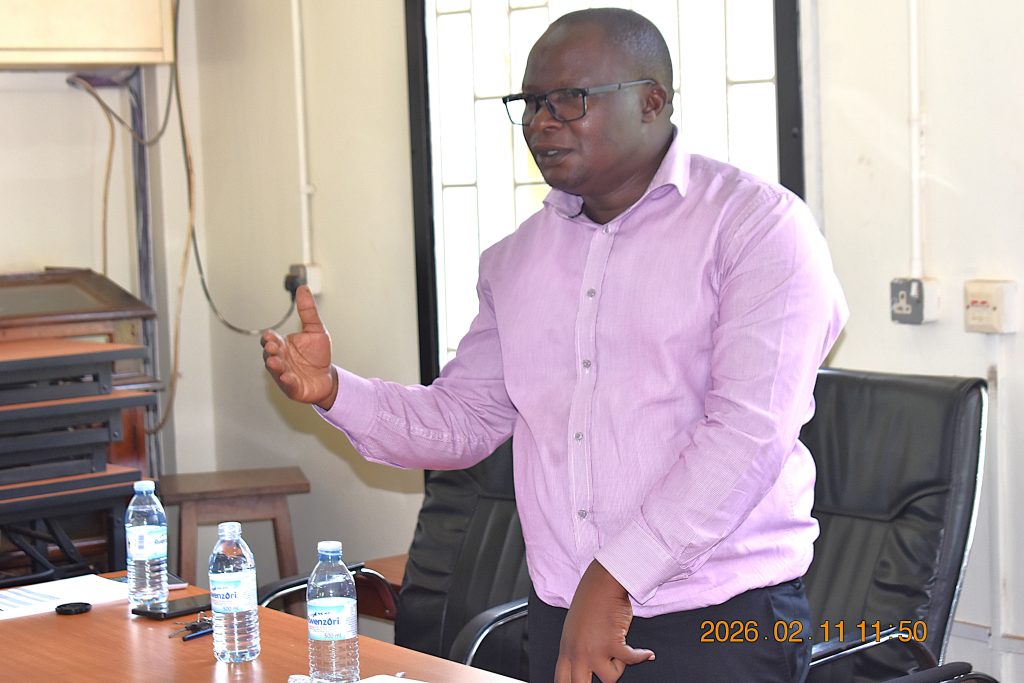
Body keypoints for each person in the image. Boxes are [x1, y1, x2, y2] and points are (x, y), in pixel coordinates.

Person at [262, 8, 848, 683]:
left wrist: (617, 574)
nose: (542, 123)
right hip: (566, 616)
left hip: (720, 619)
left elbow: (748, 434)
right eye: (532, 103)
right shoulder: (514, 262)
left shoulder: (756, 228)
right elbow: (465, 419)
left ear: (651, 101)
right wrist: (336, 389)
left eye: (569, 100)